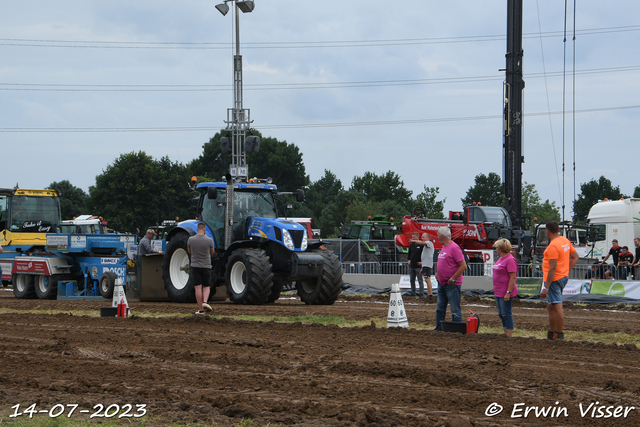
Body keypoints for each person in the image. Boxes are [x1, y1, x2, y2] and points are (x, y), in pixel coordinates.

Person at [540, 221, 579, 340]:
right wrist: (566, 270)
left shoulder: (553, 246)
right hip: (562, 277)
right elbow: (575, 256)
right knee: (550, 306)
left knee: (556, 306)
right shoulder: (565, 241)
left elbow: (552, 268)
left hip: (554, 279)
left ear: (547, 231)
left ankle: (558, 334)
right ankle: (552, 332)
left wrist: (546, 287)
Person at [435, 226, 467, 331]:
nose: (437, 237)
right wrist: (437, 273)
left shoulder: (454, 248)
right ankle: (439, 328)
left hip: (452, 284)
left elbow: (463, 266)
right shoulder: (444, 247)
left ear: (442, 236)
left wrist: (452, 279)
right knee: (440, 308)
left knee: (455, 309)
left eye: (438, 235)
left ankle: (456, 330)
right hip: (442, 283)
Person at [492, 238, 518, 337]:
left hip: (505, 292)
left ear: (500, 249)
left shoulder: (510, 260)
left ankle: (508, 335)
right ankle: (505, 334)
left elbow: (513, 277)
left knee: (506, 314)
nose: (496, 250)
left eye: (496, 248)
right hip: (498, 291)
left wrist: (508, 292)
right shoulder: (501, 259)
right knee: (501, 314)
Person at [188, 222, 215, 314]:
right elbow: (212, 252)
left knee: (198, 288)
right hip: (206, 266)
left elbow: (190, 251)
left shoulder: (190, 240)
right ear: (204, 230)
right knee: (206, 286)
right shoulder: (209, 240)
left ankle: (201, 310)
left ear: (197, 229)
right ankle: (205, 302)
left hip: (195, 266)